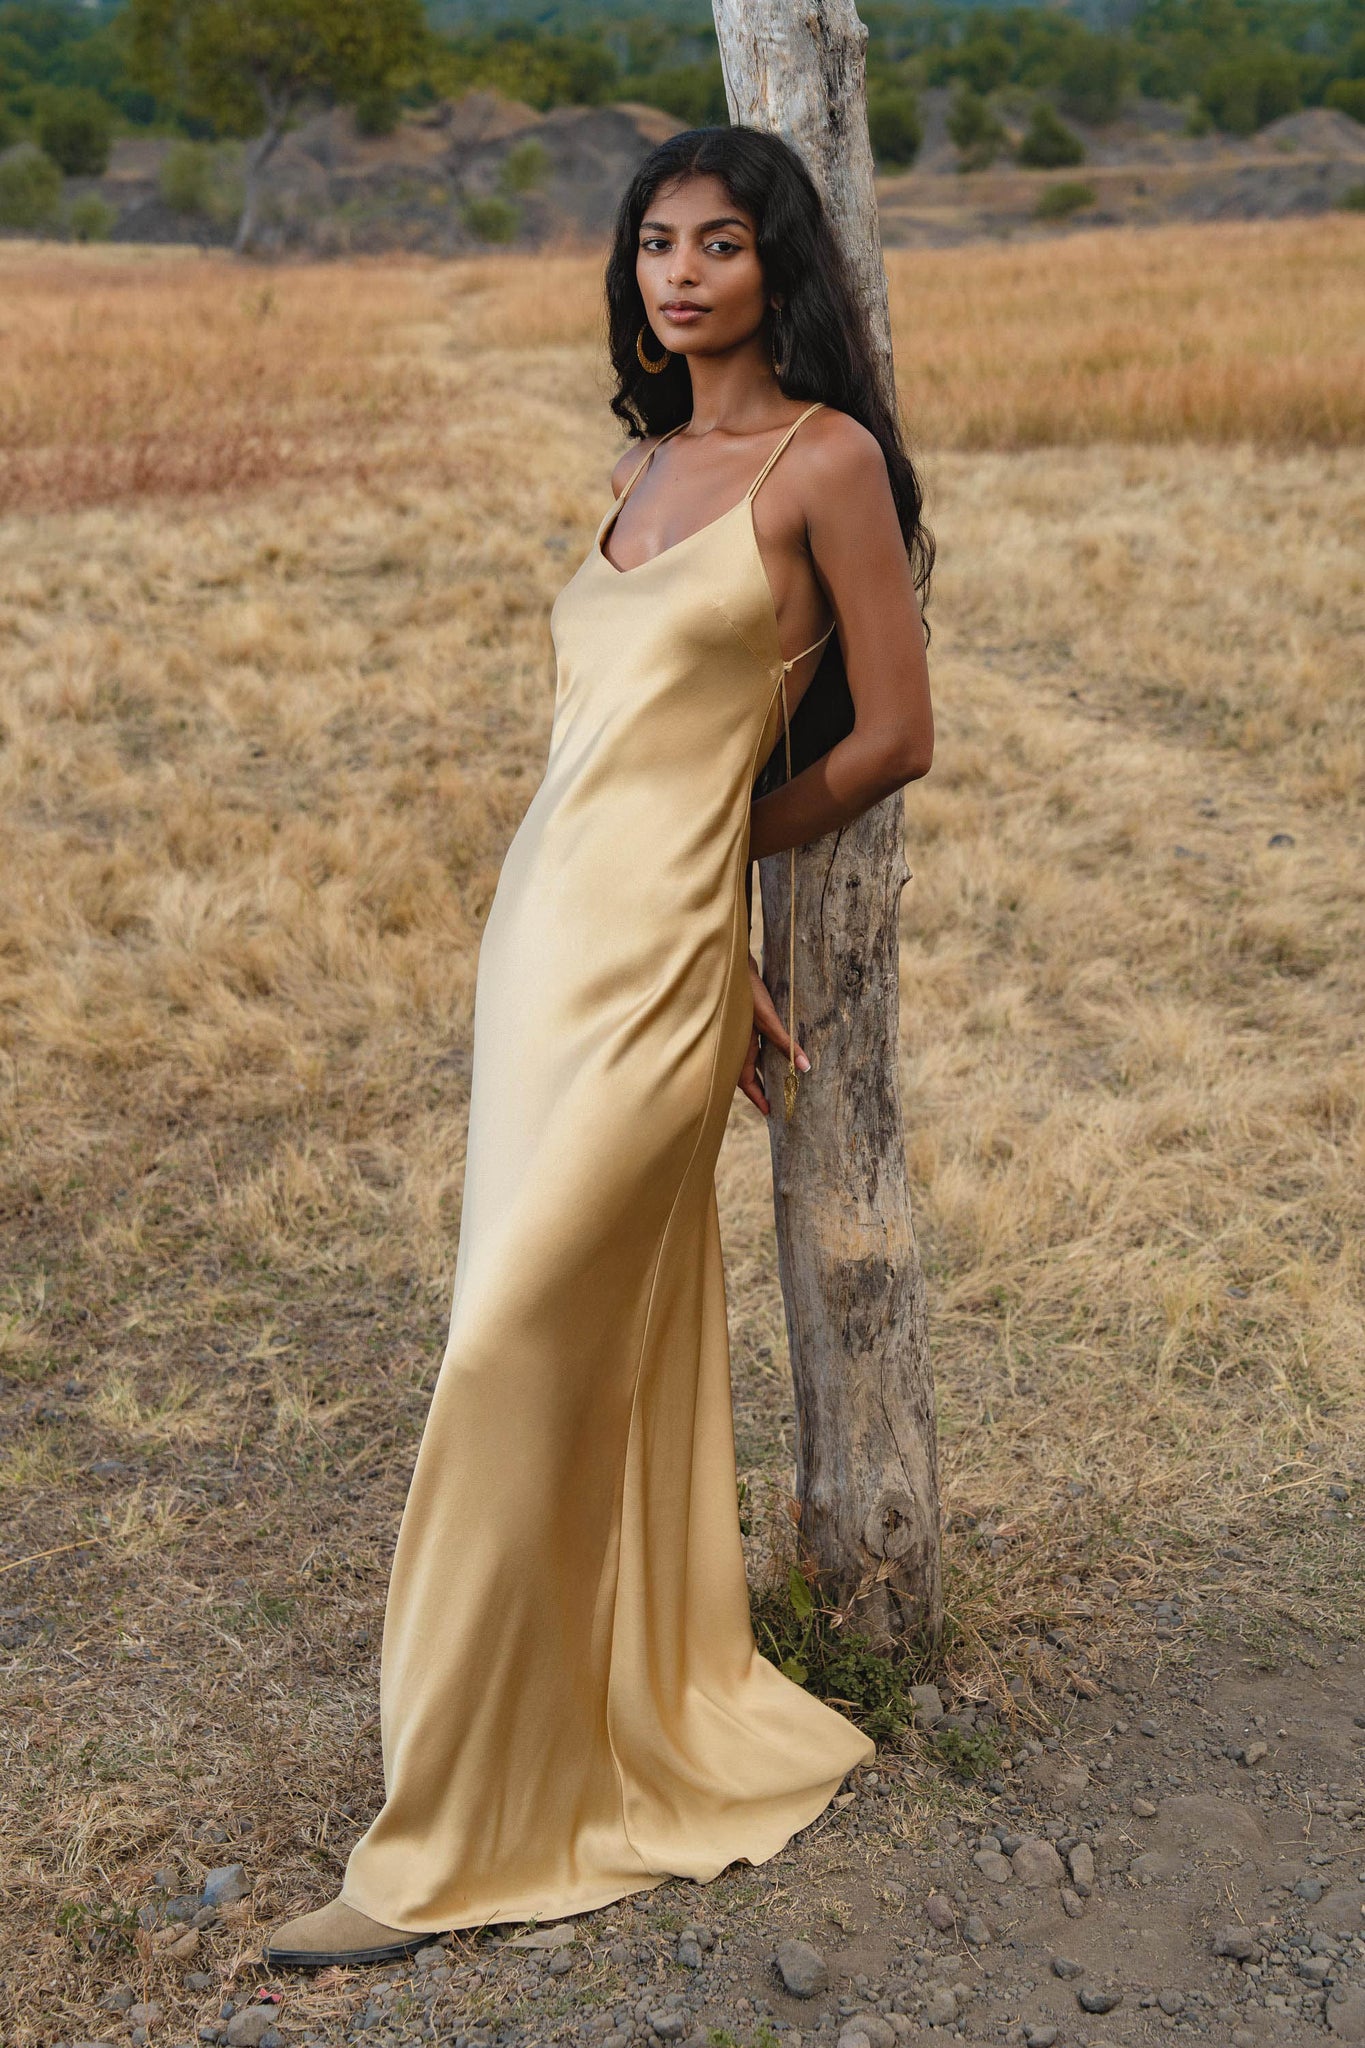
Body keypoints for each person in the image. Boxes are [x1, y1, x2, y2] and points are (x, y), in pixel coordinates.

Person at [264, 121, 934, 1971]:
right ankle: (563, 1722)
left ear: (776, 265)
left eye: (720, 242)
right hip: (536, 949)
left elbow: (892, 734)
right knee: (534, 1338)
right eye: (655, 243)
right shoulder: (637, 468)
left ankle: (438, 1843)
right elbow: (599, 752)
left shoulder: (823, 461)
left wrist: (722, 877)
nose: (682, 273)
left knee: (505, 1345)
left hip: (657, 963)